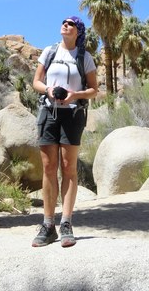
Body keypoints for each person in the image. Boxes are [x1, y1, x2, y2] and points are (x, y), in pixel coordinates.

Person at [31, 15, 98, 248]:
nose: (65, 25)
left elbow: (93, 90)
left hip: (72, 115)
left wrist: (75, 95)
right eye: (63, 22)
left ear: (78, 31)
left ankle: (66, 222)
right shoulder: (49, 52)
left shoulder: (84, 57)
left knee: (68, 168)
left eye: (70, 24)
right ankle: (48, 225)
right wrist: (49, 90)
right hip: (49, 112)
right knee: (49, 167)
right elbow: (36, 82)